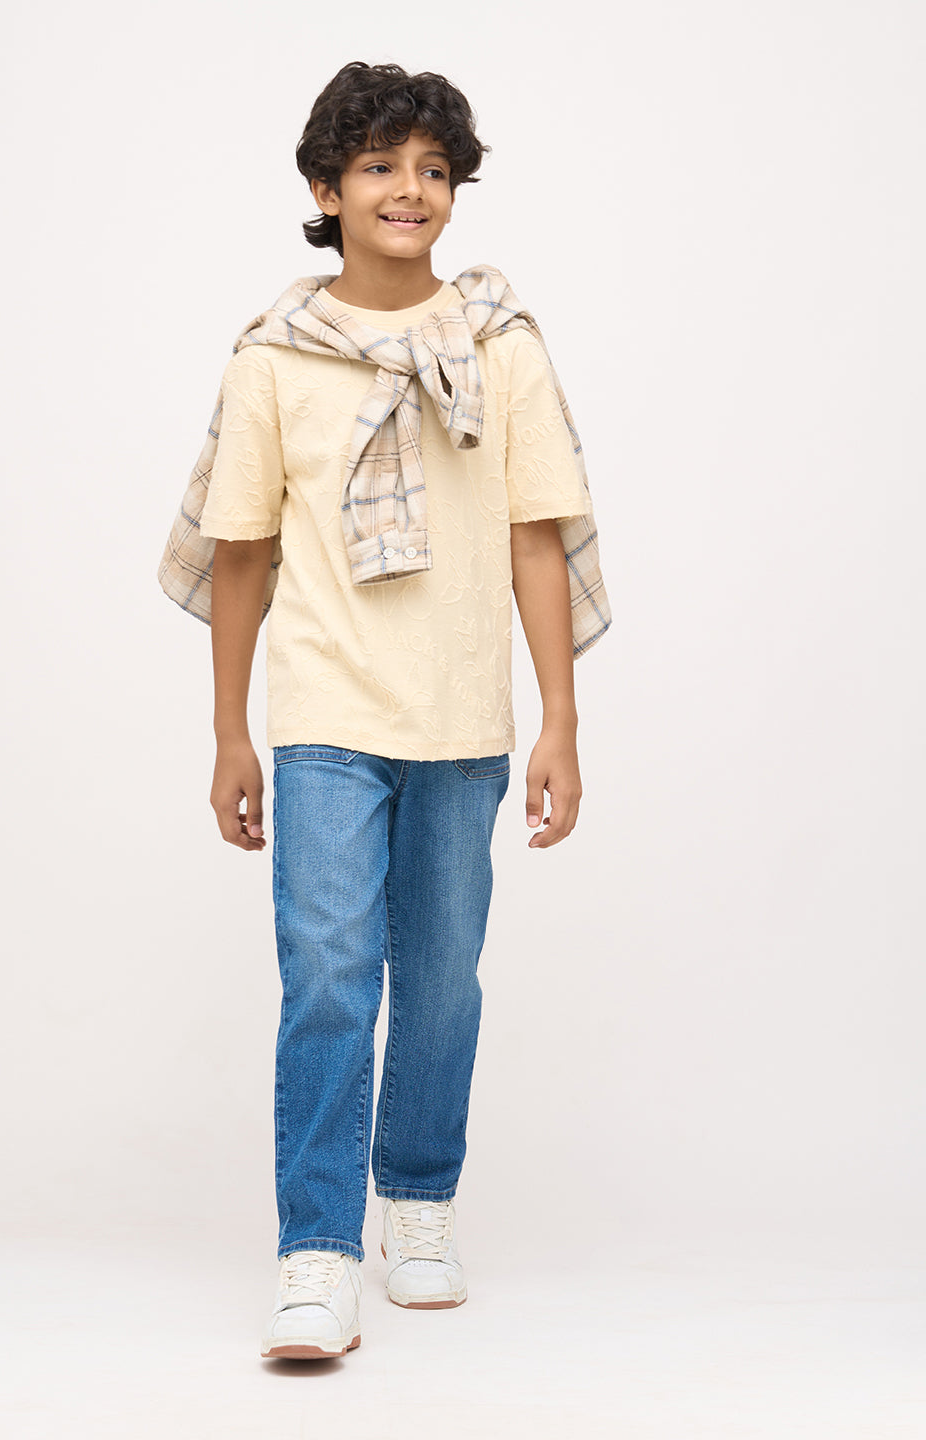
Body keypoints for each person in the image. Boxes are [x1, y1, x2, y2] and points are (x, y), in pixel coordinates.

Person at [157, 59, 611, 1360]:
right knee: (327, 979)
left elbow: (536, 533)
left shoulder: (501, 344)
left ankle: (418, 1201)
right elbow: (243, 550)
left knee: (445, 981)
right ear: (326, 190)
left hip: (464, 715)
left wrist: (561, 720)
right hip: (323, 713)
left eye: (432, 169)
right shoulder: (274, 360)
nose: (409, 190)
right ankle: (316, 1252)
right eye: (378, 167)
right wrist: (230, 732)